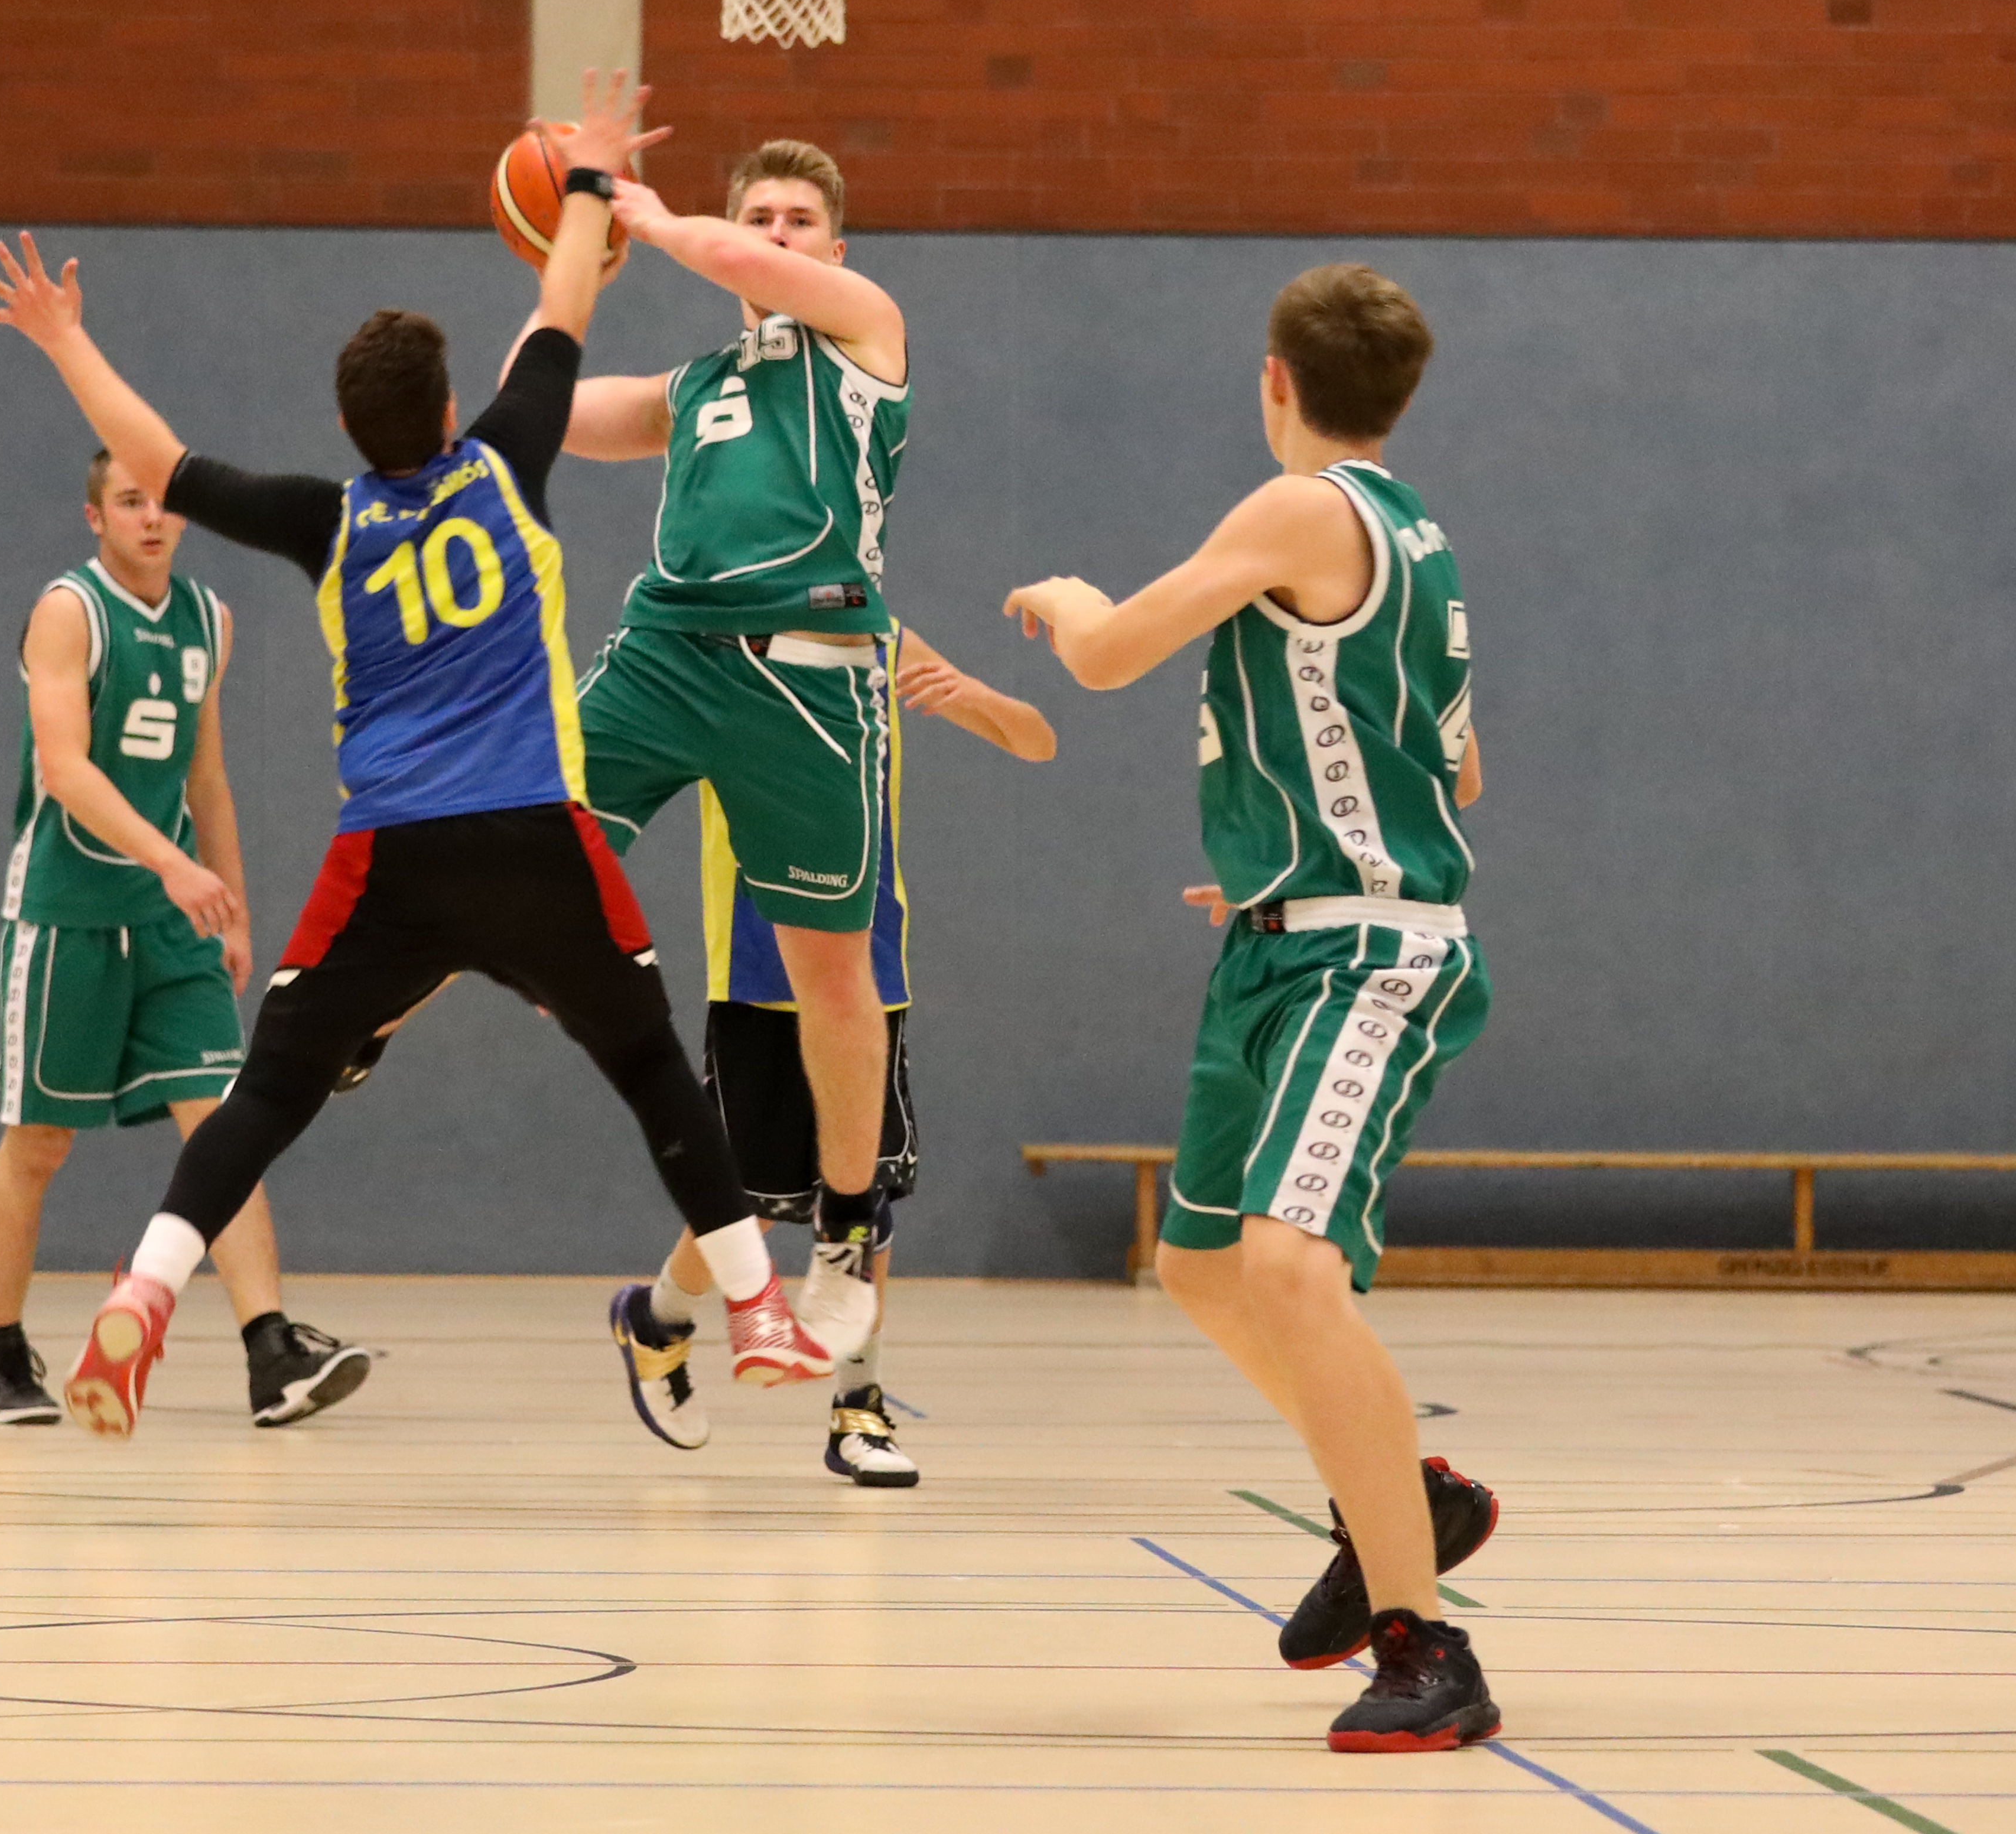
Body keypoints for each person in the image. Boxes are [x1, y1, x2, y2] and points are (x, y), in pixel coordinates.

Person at [0, 72, 844, 1438]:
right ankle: (756, 1308)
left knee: (269, 1092)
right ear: (450, 412)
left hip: (387, 855)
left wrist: (63, 341)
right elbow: (562, 309)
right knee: (649, 1066)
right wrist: (592, 175)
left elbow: (161, 459)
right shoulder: (502, 462)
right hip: (532, 837)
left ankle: (143, 1292)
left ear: (347, 435)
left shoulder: (323, 522)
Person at [1003, 264, 1504, 1752]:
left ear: (1274, 379)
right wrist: (1284, 853)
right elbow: (1456, 768)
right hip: (1280, 937)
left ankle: (1425, 1644)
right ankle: (1397, 1498)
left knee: (1287, 1268)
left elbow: (1105, 655)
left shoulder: (1301, 508)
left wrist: (1061, 599)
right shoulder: (1417, 536)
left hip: (1366, 957)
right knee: (1203, 1266)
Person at [555, 139, 911, 1364]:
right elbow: (540, 409)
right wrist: (575, 253)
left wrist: (656, 219)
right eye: (757, 214)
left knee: (833, 974)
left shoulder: (866, 332)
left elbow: (718, 252)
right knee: (509, 835)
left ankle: (846, 1231)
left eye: (797, 219)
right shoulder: (694, 383)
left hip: (807, 672)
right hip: (668, 654)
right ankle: (360, 1020)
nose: (773, 234)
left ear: (834, 250)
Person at [0, 451, 370, 1429]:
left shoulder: (207, 620)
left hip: (172, 920)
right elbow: (65, 768)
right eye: (129, 502)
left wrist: (230, 904)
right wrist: (171, 864)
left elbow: (207, 777)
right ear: (95, 515)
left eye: (162, 501)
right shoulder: (69, 612)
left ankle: (270, 1349)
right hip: (68, 911)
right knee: (38, 1143)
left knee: (224, 1122)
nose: (151, 517)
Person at [609, 623, 1054, 1484]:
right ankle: (657, 1318)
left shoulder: (882, 640)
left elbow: (1038, 740)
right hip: (757, 971)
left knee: (864, 1193)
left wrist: (977, 698)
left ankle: (860, 1407)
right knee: (750, 1203)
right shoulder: (709, 645)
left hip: (867, 973)